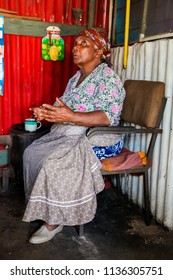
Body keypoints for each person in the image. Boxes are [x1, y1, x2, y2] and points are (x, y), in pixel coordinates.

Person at [22, 28, 126, 244]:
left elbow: (107, 117)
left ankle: (55, 221)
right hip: (71, 131)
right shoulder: (75, 78)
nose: (75, 47)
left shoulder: (108, 78)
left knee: (54, 162)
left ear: (98, 51)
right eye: (76, 43)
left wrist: (70, 116)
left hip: (101, 137)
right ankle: (46, 207)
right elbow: (67, 111)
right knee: (32, 152)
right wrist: (49, 113)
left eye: (83, 44)